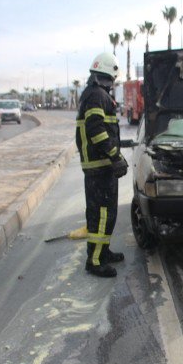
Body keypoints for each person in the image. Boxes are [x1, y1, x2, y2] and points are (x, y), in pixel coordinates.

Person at [76, 53, 129, 278]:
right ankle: (95, 261)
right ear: (110, 74)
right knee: (102, 214)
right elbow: (96, 130)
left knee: (104, 213)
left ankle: (102, 252)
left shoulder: (93, 94)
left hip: (99, 166)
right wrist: (115, 155)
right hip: (100, 167)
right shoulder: (97, 96)